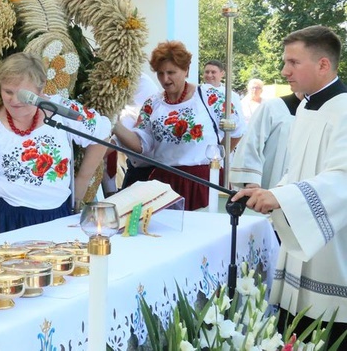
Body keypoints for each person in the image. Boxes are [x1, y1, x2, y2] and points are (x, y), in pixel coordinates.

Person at [232, 26, 347, 342]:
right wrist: (268, 192)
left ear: (323, 64)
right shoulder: (308, 109)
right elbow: (294, 172)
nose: (284, 71)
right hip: (299, 244)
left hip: (332, 253)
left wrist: (282, 198)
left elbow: (342, 180)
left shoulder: (344, 110)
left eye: (293, 63)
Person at [0, 52, 112, 241]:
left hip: (53, 218)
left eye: (23, 94)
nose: (14, 101)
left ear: (41, 87)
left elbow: (101, 132)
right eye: (8, 92)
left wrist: (82, 181)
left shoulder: (60, 110)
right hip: (2, 222)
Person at [113, 41, 245, 210]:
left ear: (186, 70)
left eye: (171, 72)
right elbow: (141, 145)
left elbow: (237, 130)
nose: (165, 79)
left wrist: (218, 155)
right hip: (164, 183)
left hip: (202, 181)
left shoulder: (209, 96)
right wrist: (114, 125)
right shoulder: (152, 104)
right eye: (160, 73)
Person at [228, 92, 301, 190]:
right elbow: (250, 145)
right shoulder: (273, 107)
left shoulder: (326, 113)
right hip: (270, 186)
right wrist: (251, 181)